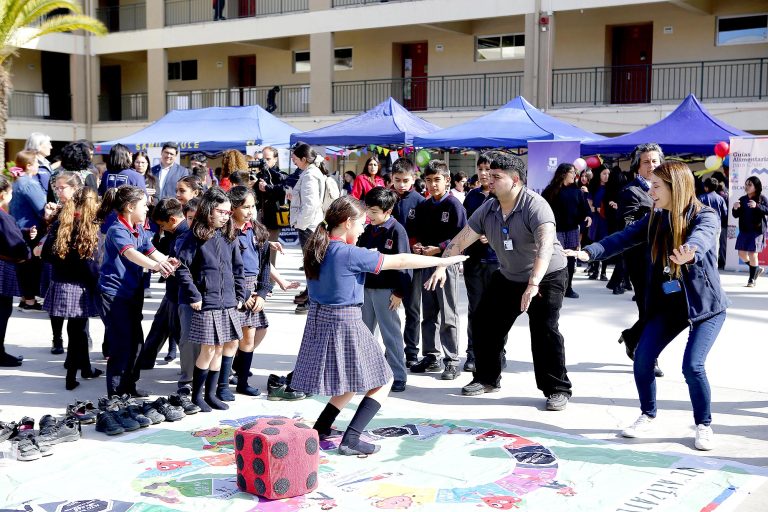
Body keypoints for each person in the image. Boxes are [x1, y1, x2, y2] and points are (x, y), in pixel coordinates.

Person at [569, 162, 729, 451]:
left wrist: (690, 252)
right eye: (650, 184)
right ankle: (647, 414)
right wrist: (587, 252)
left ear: (675, 188)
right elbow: (622, 238)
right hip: (669, 305)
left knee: (692, 366)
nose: (650, 190)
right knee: (642, 356)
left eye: (656, 186)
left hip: (705, 306)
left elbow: (703, 237)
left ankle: (703, 424)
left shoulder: (704, 215)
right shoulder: (655, 218)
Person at [290, 195, 467, 455]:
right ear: (348, 222)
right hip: (347, 321)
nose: (364, 228)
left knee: (352, 380)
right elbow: (402, 261)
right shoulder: (350, 253)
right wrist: (443, 261)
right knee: (383, 380)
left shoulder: (319, 247)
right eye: (362, 223)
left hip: (321, 319)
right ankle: (351, 439)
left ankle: (321, 427)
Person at [426, 152, 572, 411]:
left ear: (515, 180)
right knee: (484, 322)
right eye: (487, 175)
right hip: (509, 276)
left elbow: (545, 248)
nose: (488, 180)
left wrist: (533, 284)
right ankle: (486, 378)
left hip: (546, 276)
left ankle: (557, 389)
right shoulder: (489, 207)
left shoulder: (535, 206)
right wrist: (442, 265)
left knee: (544, 331)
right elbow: (461, 241)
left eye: (496, 176)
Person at [98, 185, 178, 397]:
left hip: (132, 293)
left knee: (136, 344)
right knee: (121, 346)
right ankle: (115, 396)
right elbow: (131, 254)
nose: (148, 208)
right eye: (144, 204)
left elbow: (152, 252)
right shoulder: (117, 230)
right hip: (114, 295)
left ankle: (129, 387)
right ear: (130, 206)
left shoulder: (139, 229)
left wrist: (169, 261)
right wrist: (156, 267)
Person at [175, 187, 246, 412]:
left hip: (228, 302)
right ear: (208, 211)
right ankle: (197, 395)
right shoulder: (193, 235)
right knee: (208, 350)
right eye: (221, 212)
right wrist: (194, 295)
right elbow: (182, 268)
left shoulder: (229, 235)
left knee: (220, 348)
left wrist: (240, 294)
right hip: (206, 301)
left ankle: (211, 394)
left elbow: (238, 267)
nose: (226, 216)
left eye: (228, 212)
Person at [407, 160, 467, 380]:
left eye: (437, 180)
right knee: (428, 314)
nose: (432, 184)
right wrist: (418, 246)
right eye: (429, 180)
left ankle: (451, 360)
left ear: (447, 180)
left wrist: (440, 249)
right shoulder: (423, 206)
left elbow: (462, 238)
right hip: (426, 264)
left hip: (446, 265)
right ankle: (431, 356)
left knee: (448, 314)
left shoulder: (454, 206)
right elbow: (415, 232)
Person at [42, 186, 103, 390]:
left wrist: (64, 262)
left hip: (61, 281)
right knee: (78, 332)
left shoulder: (63, 221)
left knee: (76, 330)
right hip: (80, 285)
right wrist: (97, 287)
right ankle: (70, 378)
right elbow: (92, 265)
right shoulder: (89, 226)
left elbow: (46, 254)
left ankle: (84, 368)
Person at [618, 143, 664, 378]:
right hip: (641, 260)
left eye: (655, 161)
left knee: (660, 309)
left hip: (665, 259)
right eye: (646, 161)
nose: (651, 166)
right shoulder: (630, 192)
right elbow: (626, 227)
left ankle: (632, 336)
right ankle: (650, 357)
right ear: (638, 166)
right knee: (649, 310)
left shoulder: (668, 189)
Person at [359, 187, 411, 393]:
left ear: (387, 211)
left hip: (387, 292)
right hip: (366, 289)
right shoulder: (367, 229)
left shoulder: (397, 230)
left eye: (373, 211)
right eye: (367, 210)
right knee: (365, 334)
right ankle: (368, 373)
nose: (368, 215)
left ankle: (398, 375)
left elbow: (404, 264)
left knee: (391, 334)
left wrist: (399, 292)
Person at [461, 154, 505, 372]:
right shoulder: (472, 197)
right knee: (475, 309)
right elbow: (467, 226)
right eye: (480, 169)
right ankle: (473, 353)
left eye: (488, 169)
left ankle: (498, 352)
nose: (484, 173)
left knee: (497, 310)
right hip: (475, 260)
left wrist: (492, 235)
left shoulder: (503, 197)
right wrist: (476, 235)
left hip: (497, 261)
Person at [229, 186, 273, 397]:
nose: (250, 211)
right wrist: (244, 295)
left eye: (253, 206)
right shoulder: (226, 232)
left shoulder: (258, 230)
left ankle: (242, 380)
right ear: (233, 207)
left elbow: (265, 265)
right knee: (230, 340)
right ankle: (221, 380)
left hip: (253, 289)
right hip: (233, 289)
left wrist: (262, 293)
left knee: (250, 337)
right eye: (245, 207)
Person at [137, 199, 189, 370]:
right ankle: (145, 361)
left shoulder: (185, 235)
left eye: (162, 225)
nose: (161, 229)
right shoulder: (173, 233)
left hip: (180, 293)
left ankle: (190, 373)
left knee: (181, 333)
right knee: (159, 326)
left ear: (172, 220)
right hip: (172, 291)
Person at [389, 158, 425, 368]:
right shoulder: (387, 199)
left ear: (413, 178)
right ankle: (391, 350)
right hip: (389, 262)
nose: (401, 184)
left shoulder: (421, 202)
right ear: (391, 179)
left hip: (412, 261)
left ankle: (411, 351)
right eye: (397, 180)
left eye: (405, 180)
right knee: (389, 308)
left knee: (412, 308)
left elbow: (425, 231)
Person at [9, 150, 49, 313]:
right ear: (29, 165)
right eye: (37, 163)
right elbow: (42, 209)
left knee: (24, 265)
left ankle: (26, 299)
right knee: (31, 265)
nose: (39, 166)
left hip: (19, 228)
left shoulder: (18, 181)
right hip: (31, 228)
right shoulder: (30, 183)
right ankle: (30, 301)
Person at [542, 163, 591, 299]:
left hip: (572, 230)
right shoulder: (550, 190)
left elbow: (585, 209)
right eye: (572, 172)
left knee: (570, 260)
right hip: (555, 231)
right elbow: (542, 209)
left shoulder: (577, 192)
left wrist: (587, 216)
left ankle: (568, 287)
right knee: (555, 259)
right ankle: (553, 287)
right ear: (563, 173)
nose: (575, 175)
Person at [289, 142, 327, 314]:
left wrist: (301, 224)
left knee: (311, 264)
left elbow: (310, 205)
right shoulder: (311, 173)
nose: (293, 161)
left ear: (304, 159)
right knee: (311, 264)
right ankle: (311, 296)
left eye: (295, 159)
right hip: (311, 224)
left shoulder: (310, 176)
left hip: (309, 226)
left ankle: (312, 300)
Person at [0, 175, 31, 367]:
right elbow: (16, 244)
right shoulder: (3, 216)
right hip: (3, 267)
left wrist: (25, 233)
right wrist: (27, 250)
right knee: (2, 311)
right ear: (2, 194)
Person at [253, 146, 287, 266]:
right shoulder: (259, 175)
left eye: (267, 159)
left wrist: (268, 172)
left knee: (271, 251)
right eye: (263, 159)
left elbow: (284, 188)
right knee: (257, 249)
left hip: (273, 217)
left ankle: (270, 281)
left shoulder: (280, 174)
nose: (264, 162)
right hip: (259, 216)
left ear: (275, 159)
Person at [732, 176, 768, 287]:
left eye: (750, 185)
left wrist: (757, 206)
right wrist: (735, 208)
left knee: (753, 254)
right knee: (741, 254)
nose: (747, 187)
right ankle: (756, 268)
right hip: (744, 230)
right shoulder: (742, 199)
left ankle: (752, 279)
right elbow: (735, 215)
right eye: (746, 184)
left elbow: (767, 210)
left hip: (756, 231)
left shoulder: (762, 198)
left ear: (756, 187)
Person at [698, 177, 728, 271]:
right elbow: (725, 213)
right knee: (716, 246)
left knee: (702, 244)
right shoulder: (720, 199)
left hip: (702, 225)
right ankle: (714, 267)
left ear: (706, 187)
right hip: (716, 225)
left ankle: (703, 265)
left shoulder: (701, 198)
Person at [587, 165, 610, 280]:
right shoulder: (594, 187)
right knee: (595, 244)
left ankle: (604, 272)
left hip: (607, 220)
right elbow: (589, 205)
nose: (607, 176)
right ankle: (595, 270)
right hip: (596, 219)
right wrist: (597, 209)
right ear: (599, 175)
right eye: (604, 174)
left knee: (605, 244)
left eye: (608, 174)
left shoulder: (611, 188)